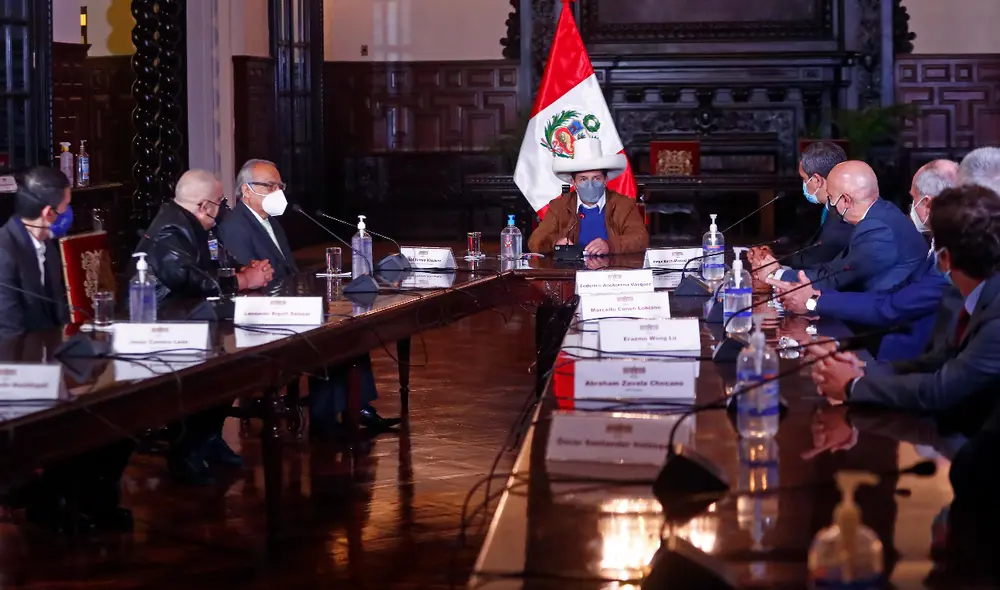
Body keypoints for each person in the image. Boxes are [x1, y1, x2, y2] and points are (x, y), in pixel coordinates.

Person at [218, 159, 400, 434]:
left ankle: (357, 406)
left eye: (280, 185)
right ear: (246, 191)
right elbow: (252, 275)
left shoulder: (270, 222)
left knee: (349, 324)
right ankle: (328, 418)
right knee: (331, 334)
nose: (278, 192)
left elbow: (287, 268)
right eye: (269, 185)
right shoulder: (236, 225)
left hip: (288, 299)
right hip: (262, 310)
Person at [0, 166, 133, 532]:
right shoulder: (4, 251)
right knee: (82, 414)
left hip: (53, 355)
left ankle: (94, 497)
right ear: (48, 213)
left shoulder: (47, 244)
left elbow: (61, 312)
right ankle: (54, 502)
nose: (68, 217)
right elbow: (10, 336)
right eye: (66, 208)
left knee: (122, 399)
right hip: (17, 370)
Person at [135, 169, 273, 484]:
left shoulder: (194, 223)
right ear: (204, 206)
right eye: (220, 202)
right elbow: (184, 278)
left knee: (238, 359)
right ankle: (187, 450)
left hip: (190, 315)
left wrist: (241, 269)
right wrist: (240, 280)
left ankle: (208, 438)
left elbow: (210, 266)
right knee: (217, 367)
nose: (223, 208)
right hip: (159, 322)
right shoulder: (171, 227)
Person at [810, 184, 1000, 412]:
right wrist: (864, 370)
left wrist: (853, 386)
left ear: (945, 258)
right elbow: (939, 361)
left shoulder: (994, 318)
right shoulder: (975, 292)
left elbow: (940, 391)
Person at [767, 160, 961, 361]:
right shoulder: (882, 217)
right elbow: (892, 294)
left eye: (913, 199)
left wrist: (811, 299)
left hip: (906, 353)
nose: (831, 206)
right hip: (887, 328)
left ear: (928, 203)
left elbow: (888, 305)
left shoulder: (881, 228)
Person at [754, 161, 927, 292]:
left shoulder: (878, 230)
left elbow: (836, 279)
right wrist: (780, 269)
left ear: (845, 200)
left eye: (830, 197)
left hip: (882, 328)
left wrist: (776, 274)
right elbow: (834, 268)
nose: (830, 204)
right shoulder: (879, 213)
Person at [527, 137, 648, 255]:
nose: (590, 185)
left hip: (612, 271)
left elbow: (640, 238)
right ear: (574, 182)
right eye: (583, 179)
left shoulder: (624, 204)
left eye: (596, 178)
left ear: (605, 180)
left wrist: (610, 245)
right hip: (570, 272)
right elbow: (535, 241)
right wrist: (556, 244)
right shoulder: (559, 206)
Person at [749, 141, 852, 271]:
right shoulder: (824, 207)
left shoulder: (844, 215)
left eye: (804, 179)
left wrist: (774, 262)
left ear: (817, 180)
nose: (803, 185)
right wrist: (772, 254)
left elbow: (818, 259)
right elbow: (806, 246)